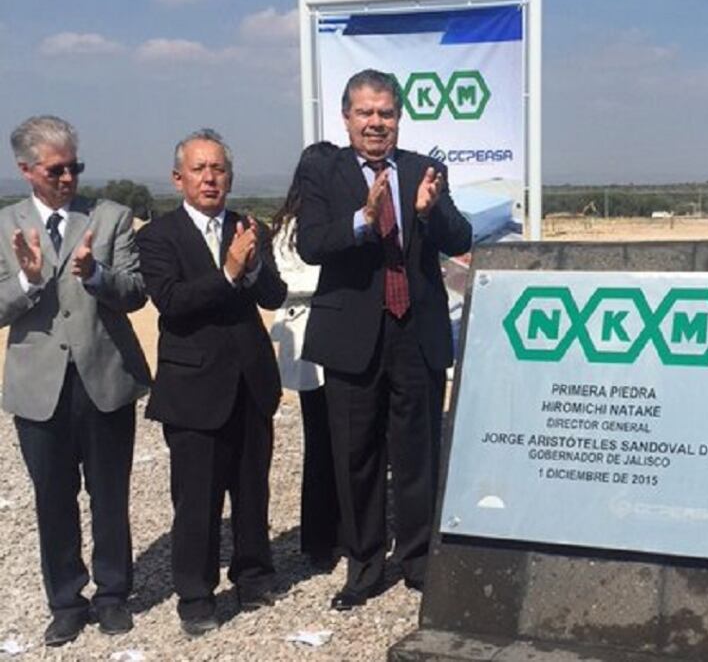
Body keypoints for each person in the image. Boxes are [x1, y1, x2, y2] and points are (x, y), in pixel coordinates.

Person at [297, 68, 473, 610]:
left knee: (418, 452)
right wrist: (361, 220)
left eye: (386, 113)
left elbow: (460, 237)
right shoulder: (322, 170)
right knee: (356, 456)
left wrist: (430, 211)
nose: (376, 123)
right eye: (365, 112)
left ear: (399, 117)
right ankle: (365, 566)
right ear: (346, 117)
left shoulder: (425, 170)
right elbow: (310, 244)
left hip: (414, 334)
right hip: (352, 335)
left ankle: (418, 560)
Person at [0, 115, 151, 645]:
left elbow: (136, 293)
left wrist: (97, 276)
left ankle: (113, 595)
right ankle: (65, 600)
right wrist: (28, 281)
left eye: (74, 167)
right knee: (53, 498)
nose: (68, 178)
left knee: (109, 495)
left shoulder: (110, 217)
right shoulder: (5, 225)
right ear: (26, 170)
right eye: (56, 170)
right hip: (38, 386)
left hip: (103, 377)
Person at [136, 128, 287, 636]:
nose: (209, 178)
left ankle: (254, 576)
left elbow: (273, 296)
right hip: (194, 389)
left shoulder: (248, 227)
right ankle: (196, 596)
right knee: (197, 501)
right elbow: (172, 302)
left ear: (230, 177)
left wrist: (254, 266)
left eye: (218, 169)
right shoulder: (158, 236)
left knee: (252, 490)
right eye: (199, 169)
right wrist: (228, 272)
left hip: (250, 381)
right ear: (178, 178)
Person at [268, 141, 341, 569]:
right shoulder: (289, 227)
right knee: (321, 443)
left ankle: (341, 529)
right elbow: (288, 280)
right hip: (310, 342)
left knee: (345, 441)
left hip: (338, 338)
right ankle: (319, 538)